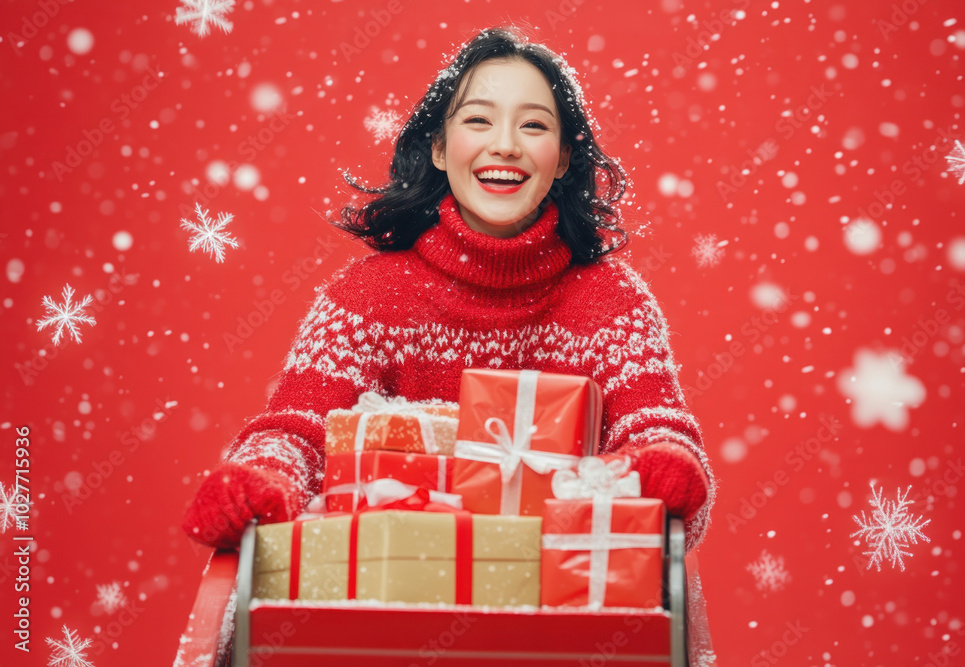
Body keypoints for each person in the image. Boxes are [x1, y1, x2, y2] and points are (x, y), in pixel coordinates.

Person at [181, 25, 716, 555]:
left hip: (562, 614)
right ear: (438, 147)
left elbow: (656, 430)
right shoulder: (366, 301)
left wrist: (660, 470)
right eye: (479, 120)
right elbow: (297, 434)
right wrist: (261, 478)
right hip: (394, 609)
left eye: (533, 125)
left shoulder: (612, 304)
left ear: (564, 158)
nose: (505, 146)